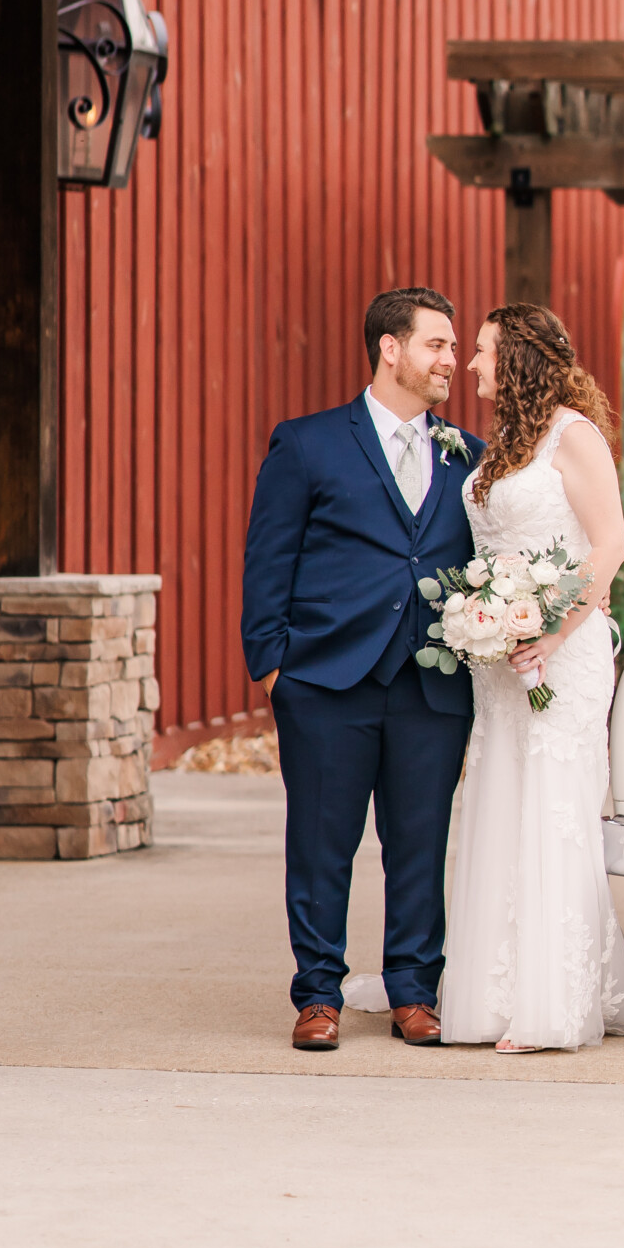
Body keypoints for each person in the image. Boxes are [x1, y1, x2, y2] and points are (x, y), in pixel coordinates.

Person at [239, 286, 484, 1053]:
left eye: (453, 347)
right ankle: (318, 994)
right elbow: (267, 559)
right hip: (325, 682)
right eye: (438, 345)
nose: (451, 360)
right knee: (321, 844)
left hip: (430, 683)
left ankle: (414, 990)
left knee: (419, 842)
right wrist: (273, 668)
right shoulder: (307, 443)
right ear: (390, 349)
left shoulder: (468, 455)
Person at [439, 304, 624, 1051]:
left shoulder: (574, 435)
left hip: (562, 653)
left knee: (553, 809)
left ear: (520, 359)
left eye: (482, 350)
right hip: (502, 662)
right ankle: (496, 994)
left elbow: (609, 545)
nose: (471, 363)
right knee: (502, 800)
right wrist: (491, 620)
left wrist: (549, 631)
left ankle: (552, 1004)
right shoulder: (505, 443)